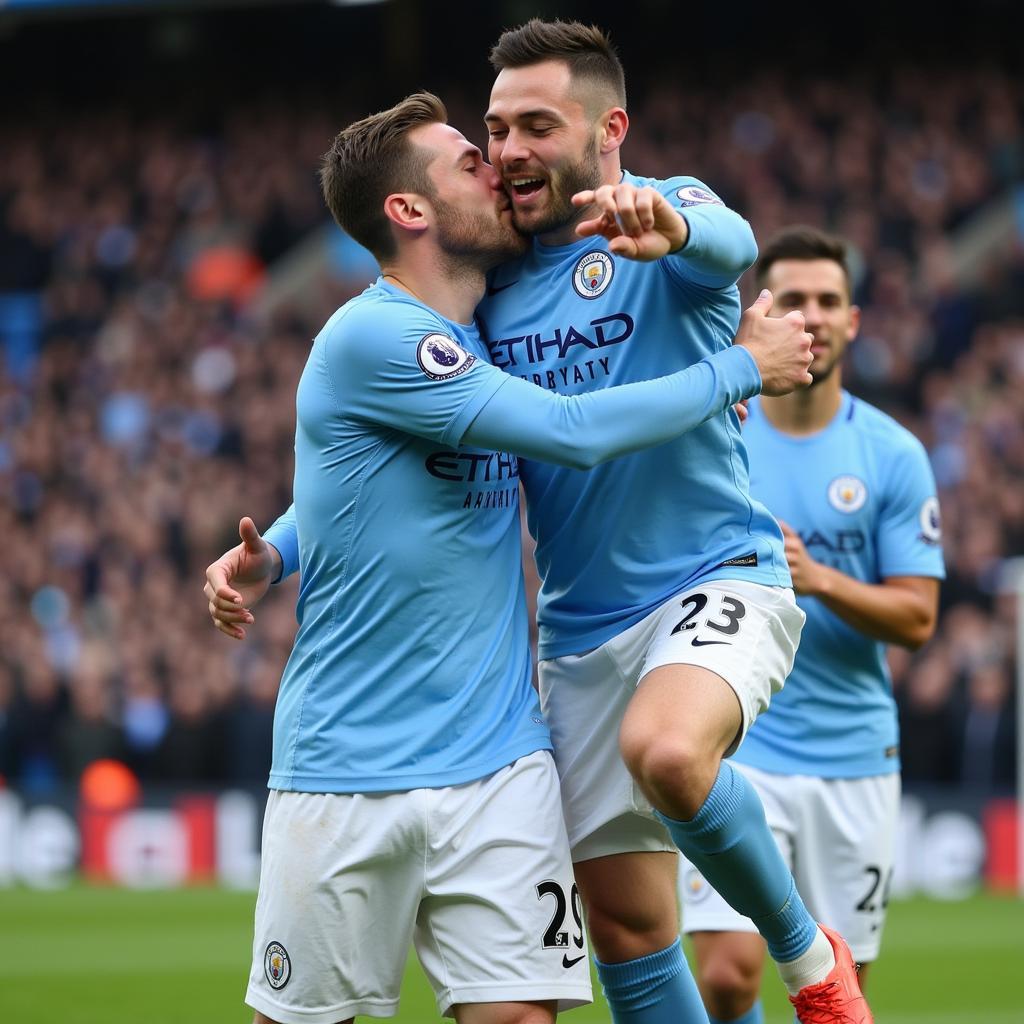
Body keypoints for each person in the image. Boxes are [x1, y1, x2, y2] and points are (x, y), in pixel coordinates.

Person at [206, 92, 814, 1024]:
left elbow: (363, 476)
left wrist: (279, 549)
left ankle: (810, 957)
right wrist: (740, 368)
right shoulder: (376, 336)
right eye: (467, 160)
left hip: (500, 763)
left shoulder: (488, 327)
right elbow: (566, 430)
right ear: (409, 212)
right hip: (346, 765)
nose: (495, 166)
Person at [476, 19, 873, 1024]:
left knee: (666, 752)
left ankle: (808, 953)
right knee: (627, 931)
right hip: (576, 629)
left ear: (609, 129)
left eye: (536, 124)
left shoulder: (667, 213)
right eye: (496, 129)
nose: (511, 149)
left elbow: (731, 238)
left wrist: (674, 228)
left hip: (715, 575)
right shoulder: (486, 290)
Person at [678, 226, 944, 1024]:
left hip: (854, 756)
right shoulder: (719, 438)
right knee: (726, 974)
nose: (814, 315)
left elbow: (918, 617)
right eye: (794, 298)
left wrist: (820, 578)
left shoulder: (891, 454)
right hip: (740, 743)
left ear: (853, 321)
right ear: (763, 312)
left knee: (837, 987)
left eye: (830, 301)